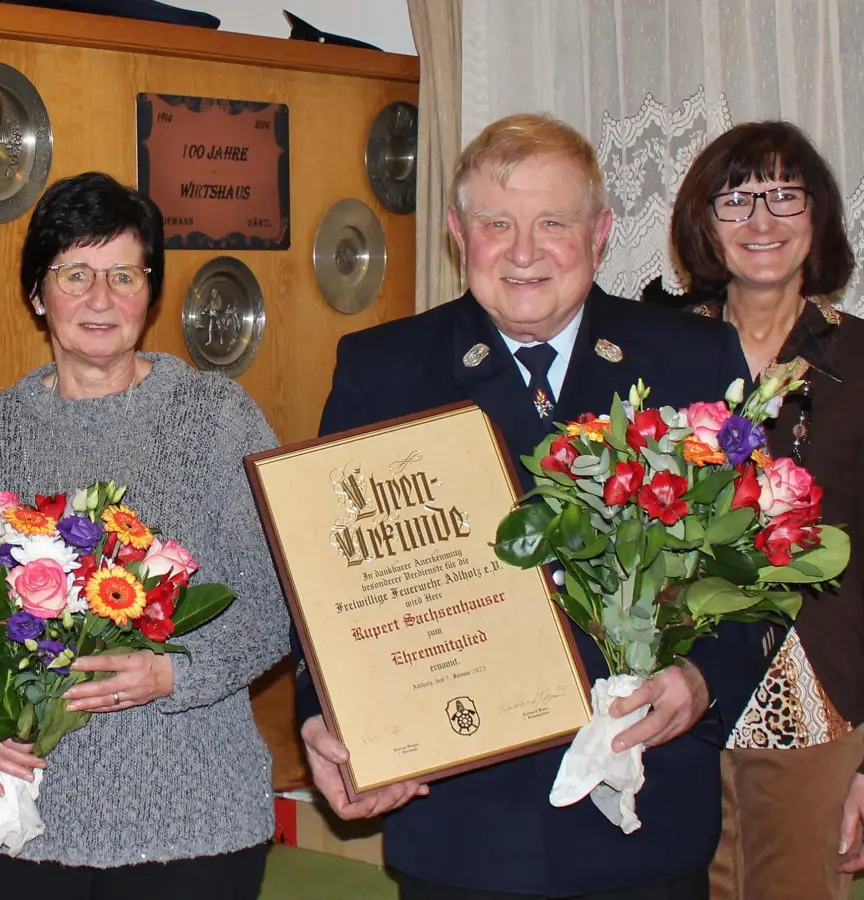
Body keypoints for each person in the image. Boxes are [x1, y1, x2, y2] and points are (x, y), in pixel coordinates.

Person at [297, 114, 769, 898]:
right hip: (463, 822)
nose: (523, 252)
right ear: (457, 233)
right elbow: (327, 580)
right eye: (496, 223)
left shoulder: (692, 358)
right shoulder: (382, 367)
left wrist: (703, 679)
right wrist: (324, 720)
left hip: (643, 819)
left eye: (553, 222)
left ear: (601, 233)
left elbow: (759, 564)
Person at [0, 171, 290, 899]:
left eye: (124, 274)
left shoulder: (218, 419)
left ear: (152, 291)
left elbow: (279, 603)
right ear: (37, 294)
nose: (101, 299)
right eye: (75, 273)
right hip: (19, 826)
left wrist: (177, 673)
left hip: (192, 826)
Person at [663, 121, 864, 900]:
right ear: (703, 224)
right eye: (737, 198)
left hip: (820, 685)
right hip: (680, 682)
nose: (761, 221)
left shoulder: (860, 360)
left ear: (817, 220)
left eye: (786, 197)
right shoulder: (661, 353)